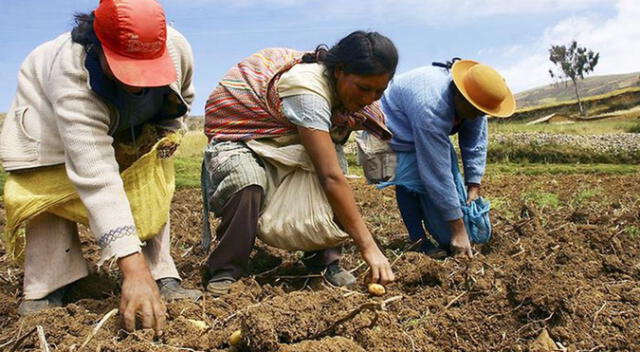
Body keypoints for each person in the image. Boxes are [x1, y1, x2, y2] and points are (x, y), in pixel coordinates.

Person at [0, 0, 201, 335]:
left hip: (131, 121)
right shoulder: (71, 74)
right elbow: (97, 178)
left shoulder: (176, 48)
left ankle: (161, 272)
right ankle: (47, 285)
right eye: (126, 69)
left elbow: (183, 97)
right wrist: (130, 270)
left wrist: (160, 137)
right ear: (99, 46)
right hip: (47, 126)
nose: (136, 84)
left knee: (152, 175)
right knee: (48, 187)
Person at [201, 31, 398, 296]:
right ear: (339, 71)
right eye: (364, 88)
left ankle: (325, 261)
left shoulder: (352, 99)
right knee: (245, 183)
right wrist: (369, 247)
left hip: (290, 137)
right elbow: (330, 177)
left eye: (379, 91)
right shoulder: (307, 90)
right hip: (245, 137)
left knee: (333, 170)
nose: (369, 99)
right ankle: (226, 268)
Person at [379, 59, 515, 258]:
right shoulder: (430, 107)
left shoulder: (475, 101)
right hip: (392, 127)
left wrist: (474, 185)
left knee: (449, 199)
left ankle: (443, 228)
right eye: (475, 111)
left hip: (421, 124)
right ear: (459, 96)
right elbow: (437, 172)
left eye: (482, 113)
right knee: (408, 181)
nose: (478, 116)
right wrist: (458, 231)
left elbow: (475, 142)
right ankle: (418, 240)